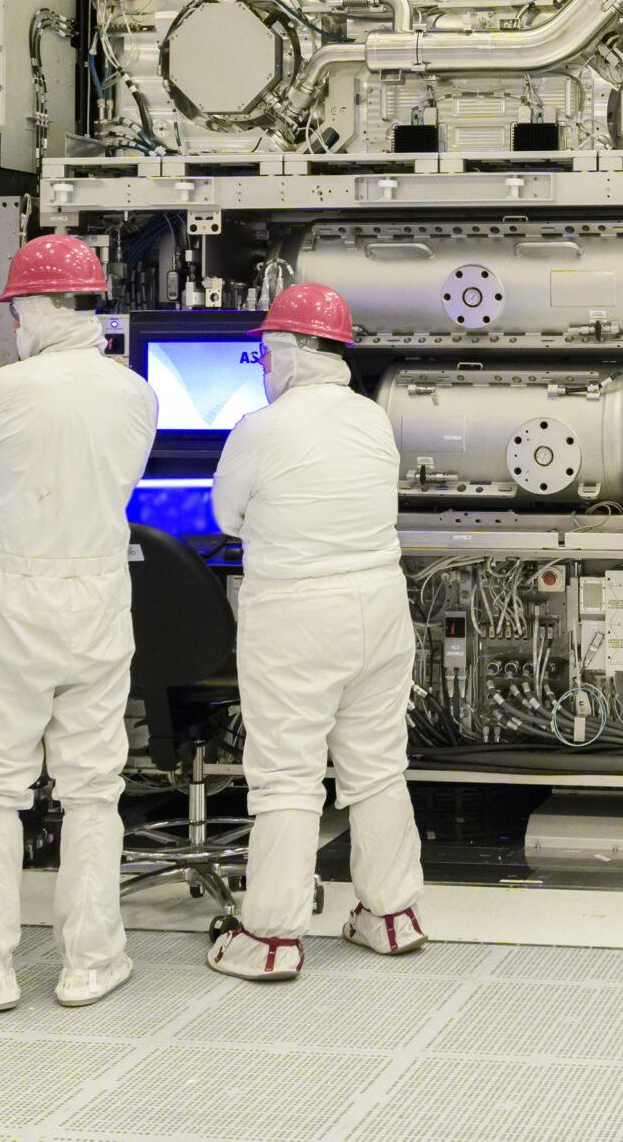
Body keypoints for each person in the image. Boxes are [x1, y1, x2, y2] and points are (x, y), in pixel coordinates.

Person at [0, 235, 157, 1013]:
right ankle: (91, 960)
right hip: (96, 596)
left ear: (30, 306)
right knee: (94, 785)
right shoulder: (134, 393)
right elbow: (115, 482)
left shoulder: (1, 389)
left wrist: (5, 488)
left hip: (13, 599)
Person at [206, 283, 425, 978]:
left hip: (298, 613)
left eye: (264, 352)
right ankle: (390, 915)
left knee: (287, 775)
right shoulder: (372, 419)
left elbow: (223, 517)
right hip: (381, 609)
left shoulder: (260, 428)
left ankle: (270, 936)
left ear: (285, 350)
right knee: (377, 765)